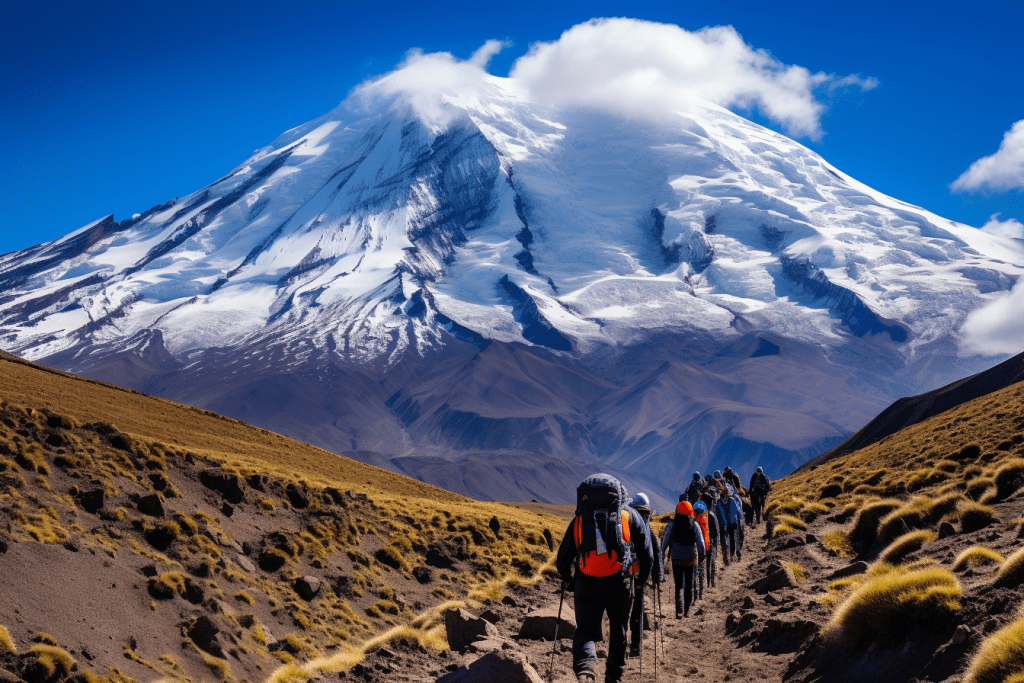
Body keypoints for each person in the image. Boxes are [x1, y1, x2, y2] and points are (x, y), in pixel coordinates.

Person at [556, 474, 654, 683]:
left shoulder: (581, 519)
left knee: (586, 631)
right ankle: (613, 675)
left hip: (586, 581)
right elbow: (647, 554)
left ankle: (586, 669)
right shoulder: (629, 515)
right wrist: (641, 581)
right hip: (620, 581)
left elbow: (563, 559)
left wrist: (570, 580)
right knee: (619, 627)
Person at [627, 492, 664, 658]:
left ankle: (620, 644)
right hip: (641, 574)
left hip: (625, 573)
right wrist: (657, 575)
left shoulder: (626, 524)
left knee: (623, 609)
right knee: (637, 609)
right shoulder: (648, 528)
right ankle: (636, 646)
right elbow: (656, 552)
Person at [660, 500, 705, 618]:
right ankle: (687, 610)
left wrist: (662, 556)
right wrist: (702, 556)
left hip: (676, 559)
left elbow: (664, 543)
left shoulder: (672, 524)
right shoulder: (694, 524)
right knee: (689, 584)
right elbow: (701, 544)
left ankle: (678, 610)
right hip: (691, 558)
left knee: (679, 584)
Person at [700, 491, 720, 588]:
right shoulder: (711, 515)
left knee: (701, 563)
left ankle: (702, 583)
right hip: (709, 542)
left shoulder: (697, 514)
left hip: (700, 543)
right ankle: (711, 582)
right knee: (710, 563)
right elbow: (716, 532)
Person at [693, 500, 712, 599]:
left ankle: (696, 594)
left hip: (698, 549)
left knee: (696, 572)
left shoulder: (696, 522)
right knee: (702, 571)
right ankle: (701, 592)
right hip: (706, 546)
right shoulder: (705, 518)